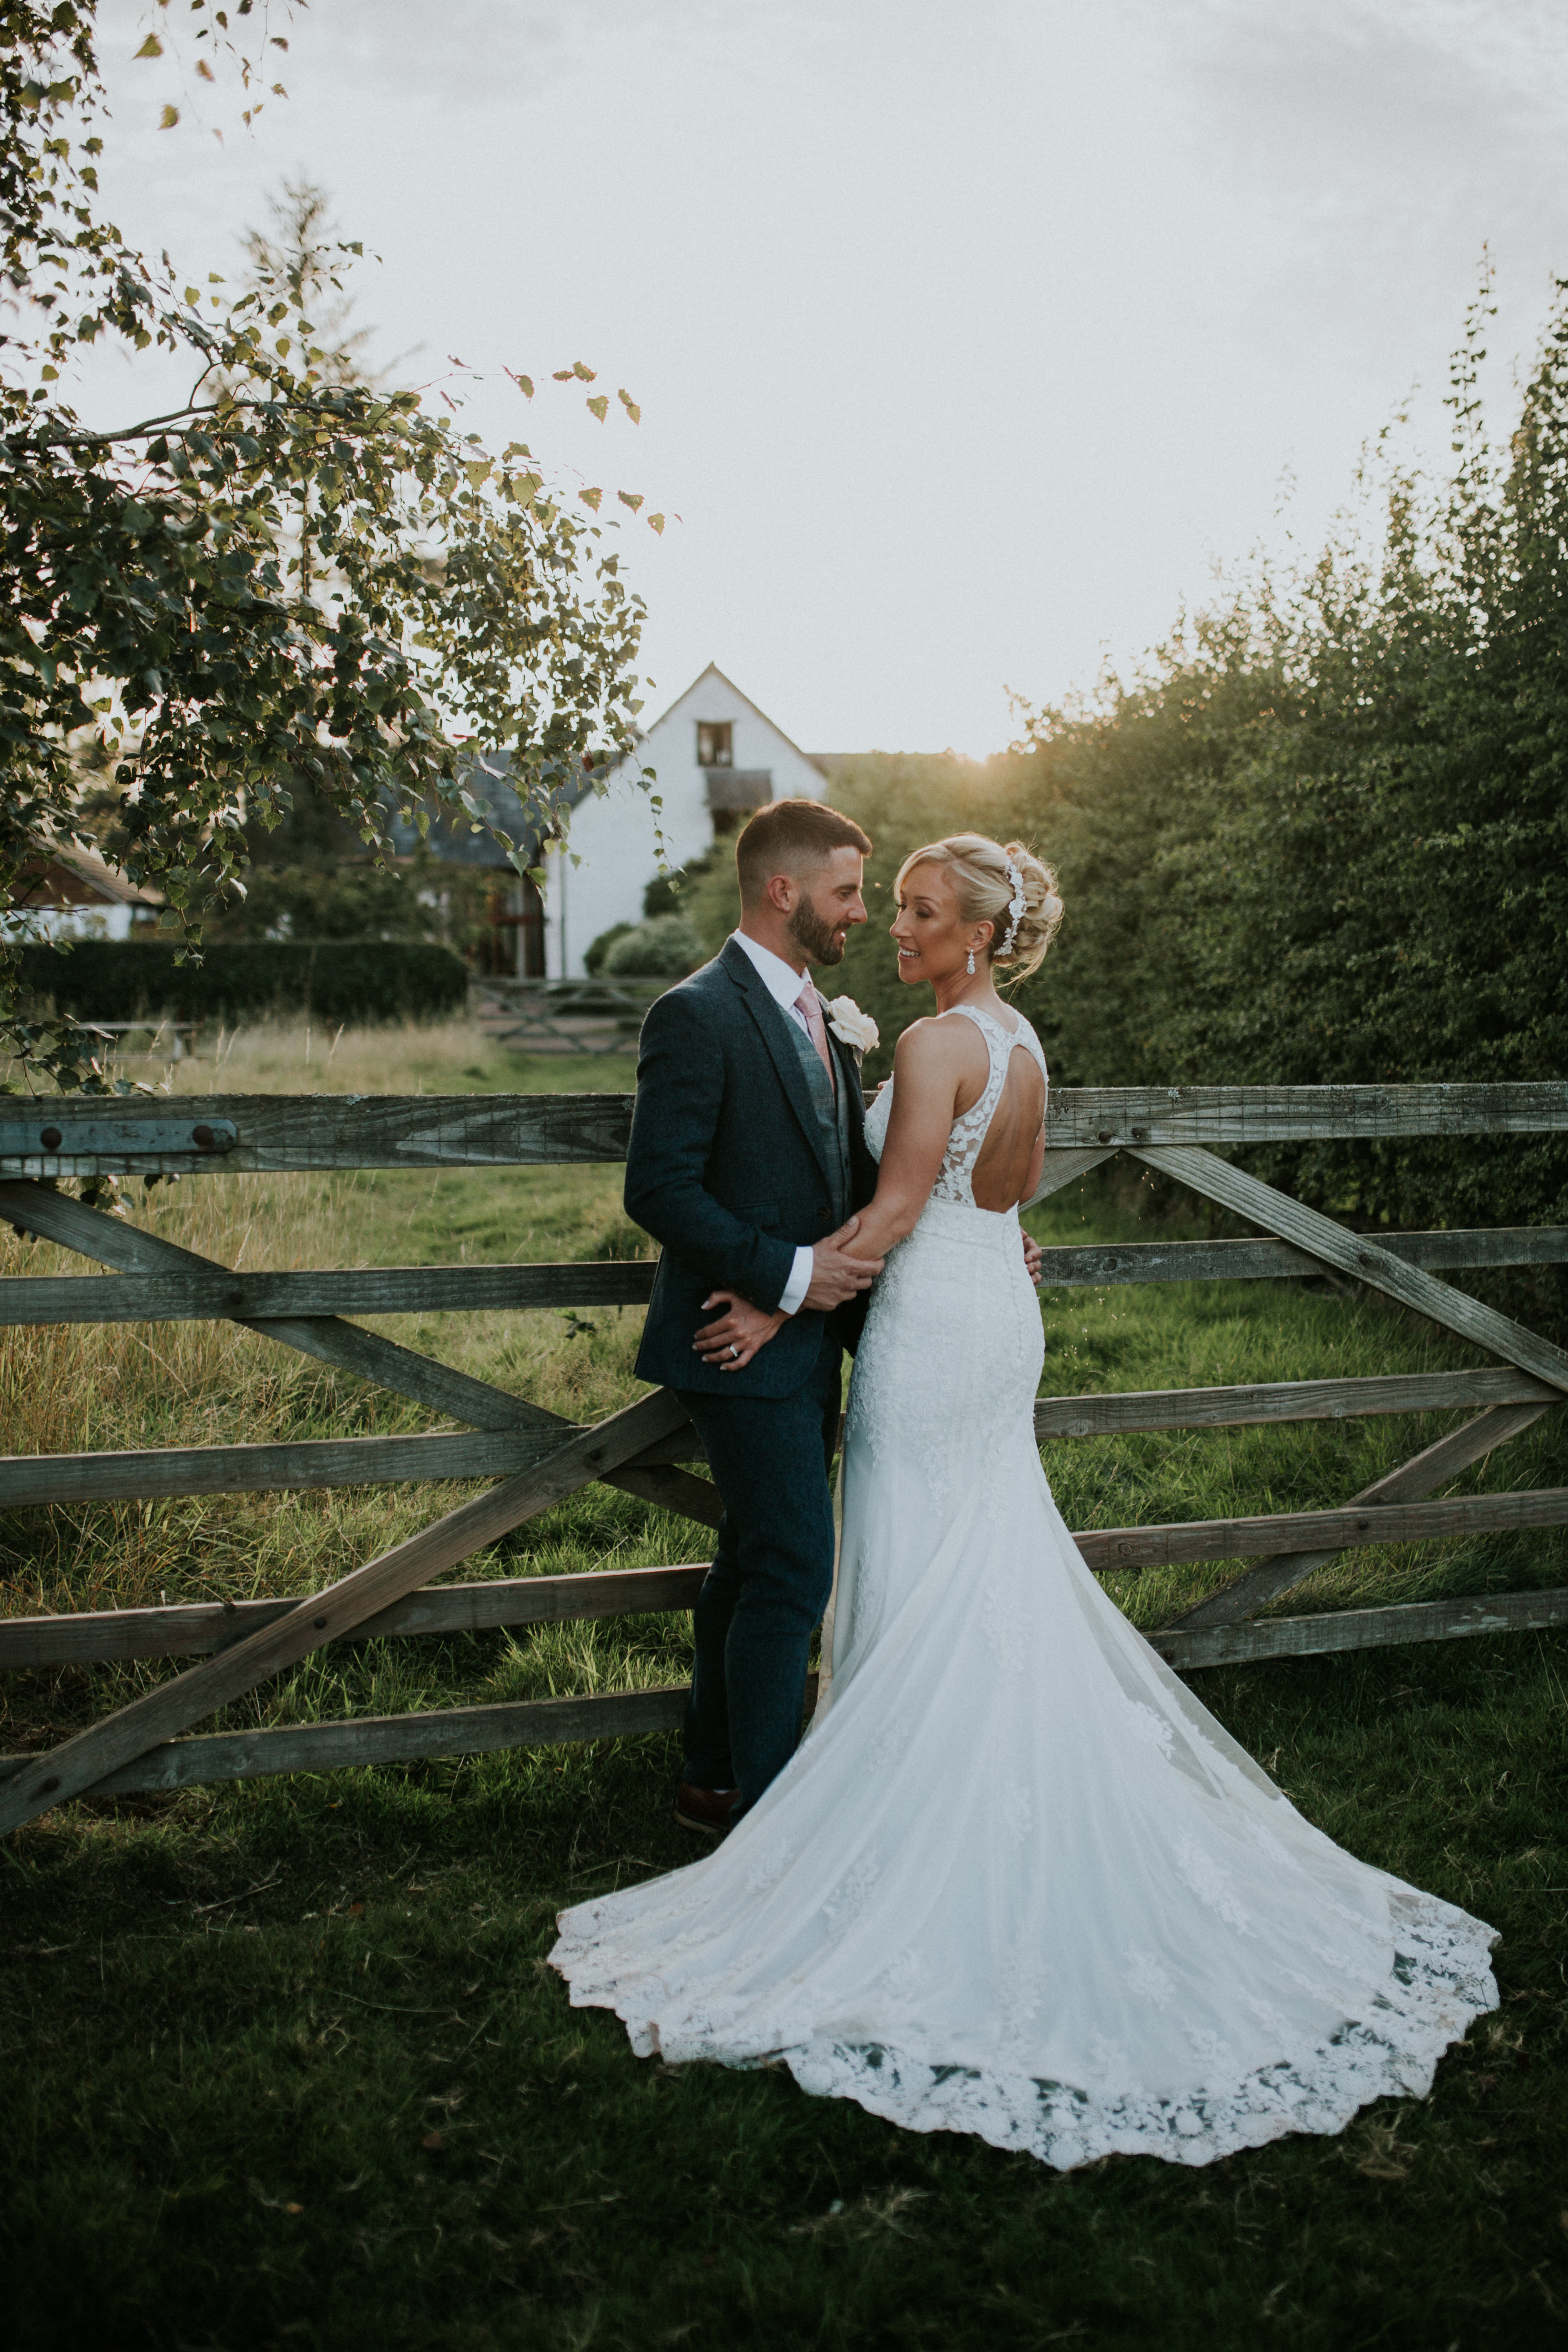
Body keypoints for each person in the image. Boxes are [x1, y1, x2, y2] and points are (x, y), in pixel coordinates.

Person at [554, 831, 1497, 2171]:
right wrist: (915, 1250)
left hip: (932, 1326)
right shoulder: (1021, 1040)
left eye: (922, 911)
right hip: (988, 1307)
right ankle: (847, 1775)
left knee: (923, 1548)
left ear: (979, 933)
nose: (897, 926)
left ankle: (877, 1816)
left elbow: (889, 1210)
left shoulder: (938, 1045)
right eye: (887, 905)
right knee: (978, 1551)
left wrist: (785, 1296)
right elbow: (992, 1198)